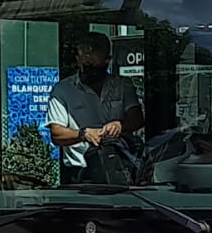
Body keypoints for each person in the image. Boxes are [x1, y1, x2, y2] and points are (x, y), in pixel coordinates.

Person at [46, 32, 144, 185]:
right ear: (78, 60)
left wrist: (119, 125)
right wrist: (83, 134)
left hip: (119, 166)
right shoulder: (63, 90)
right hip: (80, 172)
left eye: (98, 67)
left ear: (108, 61)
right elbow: (56, 134)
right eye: (87, 66)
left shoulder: (122, 85)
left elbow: (137, 118)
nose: (92, 72)